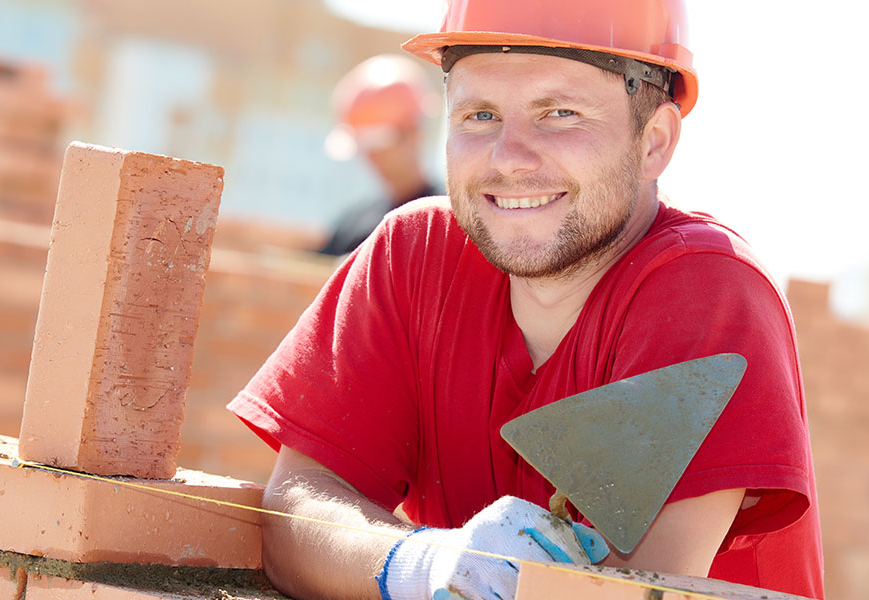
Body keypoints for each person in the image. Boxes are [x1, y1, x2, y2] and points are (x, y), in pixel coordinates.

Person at [229, 1, 825, 598]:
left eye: (560, 113)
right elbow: (295, 512)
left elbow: (628, 590)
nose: (509, 157)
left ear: (655, 142)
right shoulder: (412, 257)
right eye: (480, 114)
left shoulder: (706, 289)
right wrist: (421, 564)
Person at [318, 53, 443, 256]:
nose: (371, 155)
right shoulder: (353, 223)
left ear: (413, 132)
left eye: (379, 141)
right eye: (364, 144)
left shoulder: (447, 222)